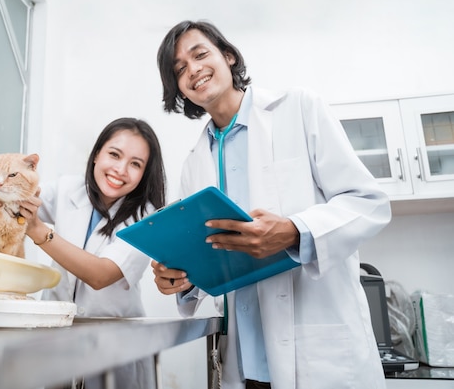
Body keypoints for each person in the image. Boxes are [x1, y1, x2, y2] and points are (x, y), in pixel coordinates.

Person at [150, 20, 392, 389]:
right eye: (179, 69)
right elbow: (212, 259)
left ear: (227, 56)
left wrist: (294, 231)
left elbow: (368, 203)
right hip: (244, 363)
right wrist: (180, 279)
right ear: (179, 89)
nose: (192, 70)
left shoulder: (297, 108)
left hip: (317, 357)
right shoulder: (194, 162)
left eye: (200, 55)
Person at [0, 117, 166, 389]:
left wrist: (39, 231)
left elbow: (100, 275)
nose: (120, 169)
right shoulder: (69, 189)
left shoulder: (146, 217)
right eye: (114, 154)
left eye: (135, 164)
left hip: (114, 348)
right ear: (96, 155)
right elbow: (22, 200)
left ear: (144, 174)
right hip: (57, 340)